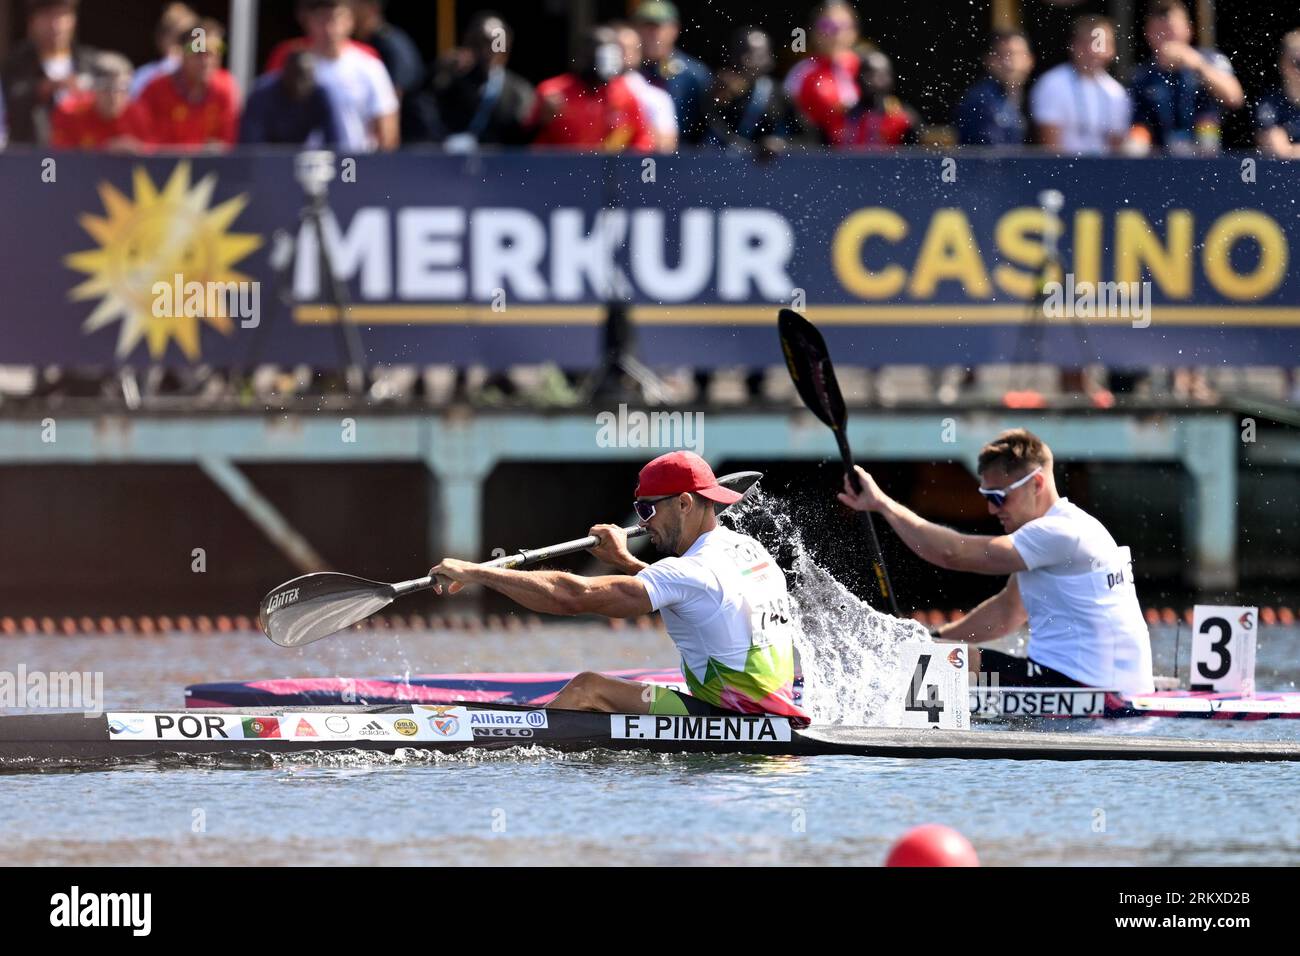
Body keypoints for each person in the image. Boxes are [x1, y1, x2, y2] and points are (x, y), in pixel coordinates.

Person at [429, 452, 809, 724]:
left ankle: (519, 742)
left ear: (684, 503)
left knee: (587, 689)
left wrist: (478, 572)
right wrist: (627, 563)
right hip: (775, 712)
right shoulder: (746, 551)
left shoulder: (692, 572)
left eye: (647, 510)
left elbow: (572, 598)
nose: (642, 524)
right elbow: (701, 596)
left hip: (734, 720)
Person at [836, 429, 1154, 697]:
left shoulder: (1059, 533)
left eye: (999, 497)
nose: (990, 509)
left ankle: (868, 697)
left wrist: (883, 505)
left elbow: (953, 554)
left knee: (951, 662)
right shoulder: (1071, 529)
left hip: (1088, 692)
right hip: (1104, 686)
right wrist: (936, 638)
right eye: (986, 496)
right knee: (939, 653)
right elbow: (1008, 611)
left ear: (1037, 484)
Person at [277, 0, 399, 152]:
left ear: (350, 20)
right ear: (307, 21)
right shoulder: (290, 63)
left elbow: (386, 129)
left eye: (336, 18)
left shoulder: (370, 66)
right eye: (321, 19)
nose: (330, 29)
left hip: (353, 167)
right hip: (304, 166)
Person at [1127, 0, 1242, 155]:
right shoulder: (1141, 76)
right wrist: (1135, 150)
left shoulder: (1212, 59)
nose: (1166, 37)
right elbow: (1138, 125)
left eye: (1172, 29)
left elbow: (1234, 97)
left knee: (1208, 128)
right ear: (1147, 34)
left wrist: (1197, 65)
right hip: (1160, 160)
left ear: (1188, 29)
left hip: (1209, 157)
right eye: (1159, 31)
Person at [529, 26, 653, 152]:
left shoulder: (624, 94)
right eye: (599, 54)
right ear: (583, 56)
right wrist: (542, 119)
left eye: (612, 55)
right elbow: (524, 140)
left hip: (605, 170)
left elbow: (642, 140)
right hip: (558, 168)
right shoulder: (553, 91)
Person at [428, 12, 536, 148]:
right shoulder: (450, 81)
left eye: (497, 42)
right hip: (453, 163)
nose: (487, 50)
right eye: (480, 42)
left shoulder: (520, 91)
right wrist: (441, 69)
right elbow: (426, 112)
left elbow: (525, 135)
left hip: (502, 165)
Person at [1, 0, 99, 145]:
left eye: (62, 16)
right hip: (33, 157)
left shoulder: (90, 62)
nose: (56, 26)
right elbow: (12, 103)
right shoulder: (15, 64)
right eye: (48, 16)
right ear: (32, 22)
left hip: (82, 155)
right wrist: (47, 88)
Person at [1029, 15, 1131, 154]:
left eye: (1100, 43)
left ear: (1111, 49)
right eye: (1086, 42)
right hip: (1062, 171)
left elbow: (1116, 148)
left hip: (1103, 172)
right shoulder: (1052, 84)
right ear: (1073, 45)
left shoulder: (1117, 93)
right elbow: (1050, 148)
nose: (1093, 50)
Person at [703, 26, 811, 154]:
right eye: (743, 54)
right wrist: (714, 102)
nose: (746, 62)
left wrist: (782, 144)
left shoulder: (779, 94)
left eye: (757, 55)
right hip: (718, 166)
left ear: (769, 59)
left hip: (767, 169)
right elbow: (693, 136)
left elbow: (809, 139)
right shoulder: (713, 91)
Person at [135, 18, 239, 150]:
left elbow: (230, 144)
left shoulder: (226, 87)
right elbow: (141, 143)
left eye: (215, 51)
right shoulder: (155, 90)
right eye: (198, 52)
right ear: (182, 53)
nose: (206, 60)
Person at [784, 0, 862, 145]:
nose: (836, 34)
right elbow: (786, 121)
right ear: (813, 31)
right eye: (827, 26)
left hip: (867, 157)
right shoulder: (801, 72)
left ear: (855, 31)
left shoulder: (869, 69)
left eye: (844, 26)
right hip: (819, 157)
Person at [633, 0, 711, 144]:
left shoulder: (694, 75)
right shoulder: (626, 74)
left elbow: (710, 129)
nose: (652, 35)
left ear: (674, 29)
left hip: (682, 161)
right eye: (646, 27)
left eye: (658, 27)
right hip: (632, 159)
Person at [347, 0, 425, 142]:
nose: (348, 8)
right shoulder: (362, 44)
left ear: (372, 8)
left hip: (414, 143)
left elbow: (395, 97)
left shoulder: (389, 43)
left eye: (354, 3)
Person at [51, 51, 149, 150]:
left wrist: (138, 150)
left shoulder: (139, 114)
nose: (114, 97)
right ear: (93, 89)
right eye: (106, 88)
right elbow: (60, 158)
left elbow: (155, 155)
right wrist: (102, 150)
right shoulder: (69, 113)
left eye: (122, 89)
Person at [239, 50, 339, 146]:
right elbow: (250, 145)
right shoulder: (261, 95)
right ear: (284, 72)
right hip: (268, 155)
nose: (300, 84)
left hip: (302, 155)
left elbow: (334, 142)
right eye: (296, 74)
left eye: (306, 77)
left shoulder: (320, 95)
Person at [956, 30, 1034, 147]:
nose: (1009, 63)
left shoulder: (1031, 96)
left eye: (1016, 54)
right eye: (1002, 55)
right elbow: (994, 158)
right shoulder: (980, 100)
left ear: (1030, 60)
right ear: (988, 60)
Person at [612, 21, 677, 151]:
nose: (624, 54)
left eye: (631, 48)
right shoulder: (592, 93)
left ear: (639, 52)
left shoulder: (658, 97)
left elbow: (666, 147)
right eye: (618, 48)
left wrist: (634, 127)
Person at [837, 48, 918, 148]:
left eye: (880, 75)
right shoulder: (842, 116)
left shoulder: (904, 118)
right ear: (857, 78)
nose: (872, 80)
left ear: (890, 79)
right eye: (867, 74)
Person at [129, 3, 198, 99]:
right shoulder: (143, 76)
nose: (179, 44)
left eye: (185, 38)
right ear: (161, 39)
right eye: (174, 37)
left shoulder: (207, 76)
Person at [1257, 30, 1300, 159]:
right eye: (1297, 62)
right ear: (1282, 63)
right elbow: (1280, 151)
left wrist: (1292, 149)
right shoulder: (1270, 104)